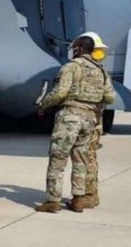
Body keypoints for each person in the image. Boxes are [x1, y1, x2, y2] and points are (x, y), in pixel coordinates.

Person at [34, 35, 115, 213]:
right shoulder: (101, 71)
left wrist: (43, 105)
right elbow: (110, 97)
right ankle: (78, 199)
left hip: (70, 116)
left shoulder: (71, 67)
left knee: (58, 157)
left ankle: (52, 200)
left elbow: (59, 92)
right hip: (90, 119)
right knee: (81, 159)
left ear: (78, 48)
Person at [80, 31, 109, 209]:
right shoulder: (102, 72)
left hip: (86, 121)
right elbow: (110, 97)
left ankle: (89, 195)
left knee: (86, 158)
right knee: (89, 158)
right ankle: (89, 194)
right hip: (94, 121)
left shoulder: (80, 69)